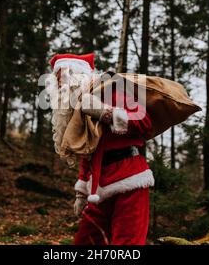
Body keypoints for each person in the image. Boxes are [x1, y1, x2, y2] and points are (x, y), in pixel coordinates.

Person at [46, 53, 154, 245]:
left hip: (130, 179)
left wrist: (105, 113)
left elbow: (145, 123)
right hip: (98, 186)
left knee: (127, 245)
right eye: (56, 78)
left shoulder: (110, 89)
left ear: (79, 74)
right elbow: (88, 151)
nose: (59, 83)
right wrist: (81, 191)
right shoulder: (75, 105)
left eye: (63, 75)